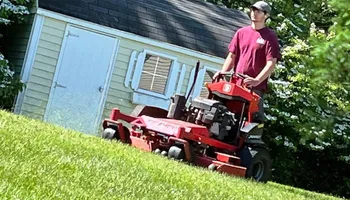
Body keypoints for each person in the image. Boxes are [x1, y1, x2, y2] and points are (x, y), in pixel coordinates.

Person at [214, 1, 281, 122]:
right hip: (236, 83)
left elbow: (271, 63)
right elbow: (232, 56)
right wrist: (223, 72)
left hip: (254, 88)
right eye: (253, 10)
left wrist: (257, 80)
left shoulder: (270, 37)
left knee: (253, 123)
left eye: (258, 11)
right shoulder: (241, 32)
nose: (254, 13)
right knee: (221, 115)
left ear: (266, 16)